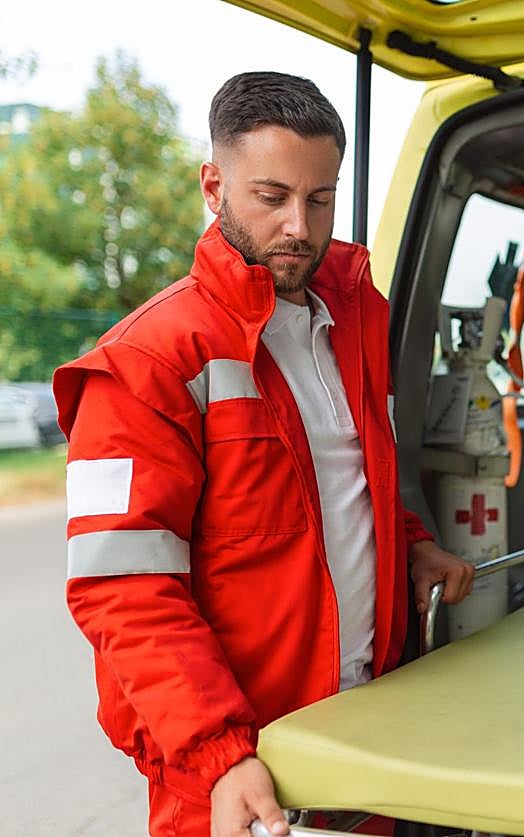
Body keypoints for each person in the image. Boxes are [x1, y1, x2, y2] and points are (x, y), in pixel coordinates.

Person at [54, 72, 475, 837]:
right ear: (214, 184)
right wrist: (222, 753)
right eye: (272, 196)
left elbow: (350, 487)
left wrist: (410, 547)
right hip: (242, 769)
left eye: (321, 199)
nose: (299, 227)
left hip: (366, 733)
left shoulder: (355, 320)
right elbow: (122, 586)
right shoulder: (146, 361)